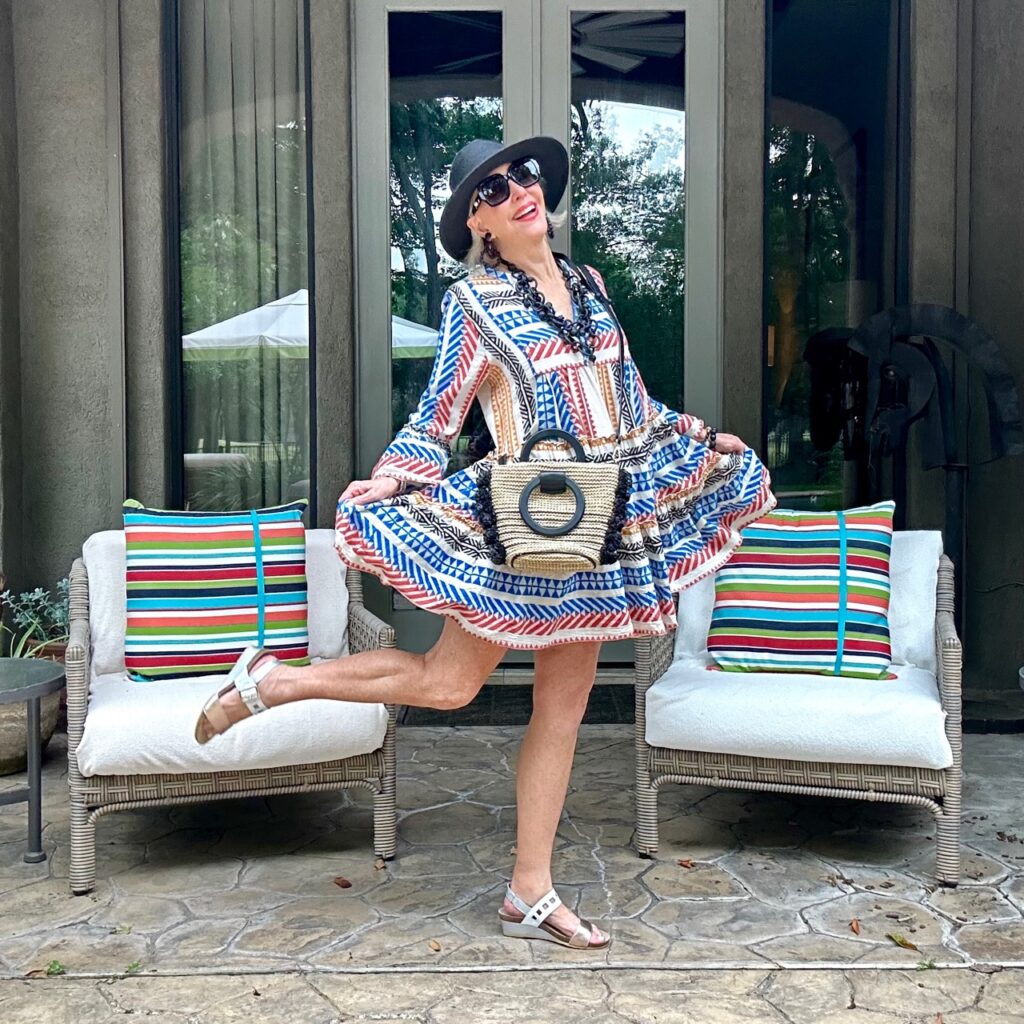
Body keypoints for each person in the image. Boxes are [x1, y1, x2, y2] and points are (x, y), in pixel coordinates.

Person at [194, 136, 777, 951]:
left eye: (524, 177)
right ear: (479, 224)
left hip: (603, 530)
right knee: (448, 685)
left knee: (564, 708)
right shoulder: (474, 303)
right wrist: (392, 479)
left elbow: (630, 402)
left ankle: (529, 892)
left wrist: (700, 436)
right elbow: (440, 416)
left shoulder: (593, 285)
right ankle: (278, 681)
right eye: (493, 190)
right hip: (529, 522)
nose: (518, 192)